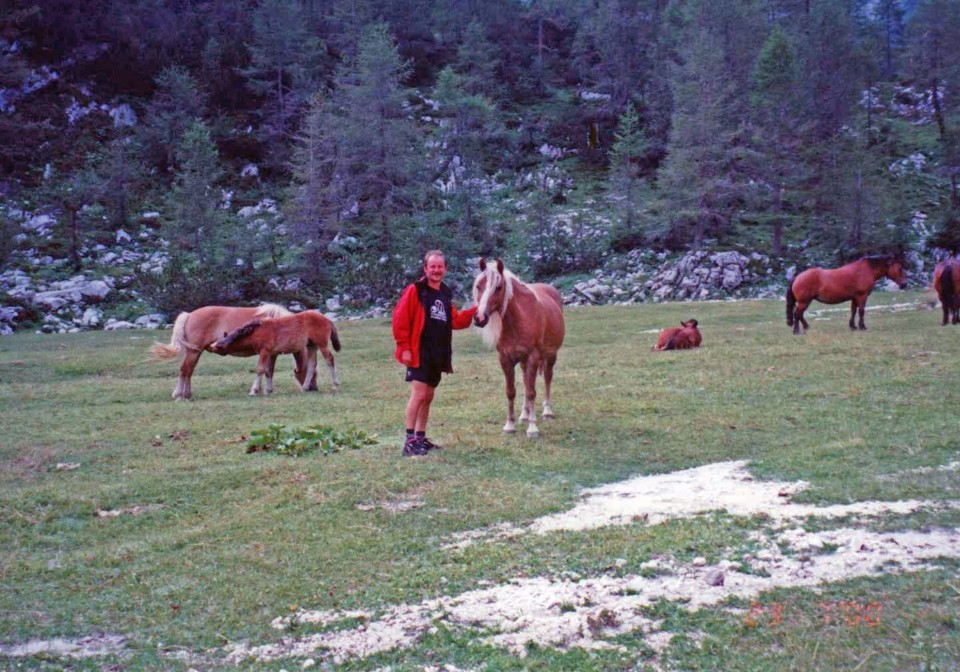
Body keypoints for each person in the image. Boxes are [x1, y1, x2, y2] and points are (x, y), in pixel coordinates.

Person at [392, 250, 477, 456]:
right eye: (433, 266)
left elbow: (454, 320)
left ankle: (421, 438)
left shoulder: (445, 293)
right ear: (425, 268)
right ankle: (409, 440)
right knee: (419, 393)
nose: (436, 270)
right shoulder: (416, 290)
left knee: (428, 396)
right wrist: (403, 347)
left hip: (437, 353)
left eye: (440, 267)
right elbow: (399, 318)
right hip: (418, 351)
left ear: (445, 269)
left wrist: (475, 310)